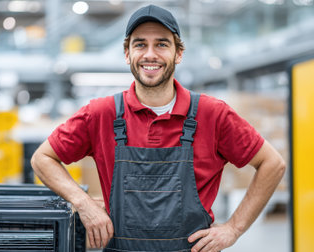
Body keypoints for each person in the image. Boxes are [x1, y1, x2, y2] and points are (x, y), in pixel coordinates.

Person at [31, 4, 286, 252]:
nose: (150, 54)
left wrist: (234, 229)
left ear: (178, 53)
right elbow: (42, 158)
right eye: (140, 44)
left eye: (162, 44)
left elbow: (272, 164)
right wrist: (83, 203)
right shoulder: (101, 113)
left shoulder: (213, 114)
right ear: (127, 53)